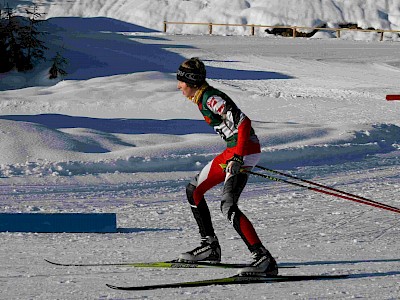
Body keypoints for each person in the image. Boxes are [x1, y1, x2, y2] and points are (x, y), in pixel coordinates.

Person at [176, 57, 278, 276]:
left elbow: (243, 122)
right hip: (233, 151)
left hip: (243, 151)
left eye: (181, 80)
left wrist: (238, 157)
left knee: (228, 206)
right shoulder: (202, 97)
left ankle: (263, 259)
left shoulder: (211, 98)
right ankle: (210, 246)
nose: (178, 86)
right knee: (194, 190)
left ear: (191, 81)